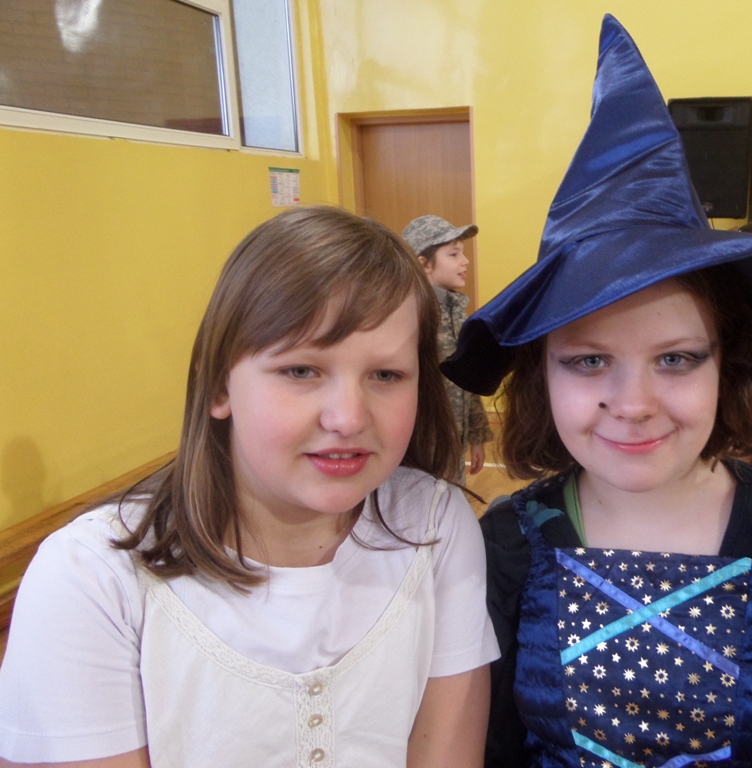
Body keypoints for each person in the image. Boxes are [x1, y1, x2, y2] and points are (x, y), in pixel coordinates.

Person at [441, 16, 752, 768]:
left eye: (675, 359)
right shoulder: (507, 549)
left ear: (724, 365)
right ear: (543, 374)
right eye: (588, 361)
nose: (633, 402)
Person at [0, 206, 498, 767]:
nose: (348, 418)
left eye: (385, 375)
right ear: (219, 386)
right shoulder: (92, 577)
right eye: (301, 371)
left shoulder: (432, 525)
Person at [403, 215, 494, 482]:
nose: (465, 261)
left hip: (454, 444)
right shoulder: (409, 318)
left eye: (462, 253)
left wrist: (476, 436)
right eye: (453, 254)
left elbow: (468, 378)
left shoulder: (457, 312)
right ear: (424, 264)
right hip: (421, 453)